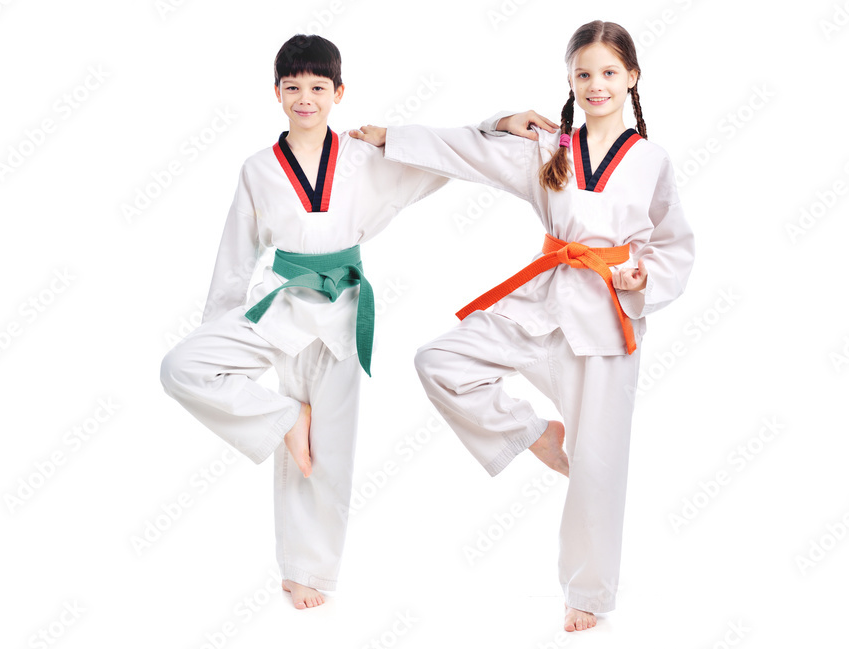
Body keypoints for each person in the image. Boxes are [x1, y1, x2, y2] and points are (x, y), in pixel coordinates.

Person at [349, 20, 694, 632]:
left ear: (632, 78)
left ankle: (586, 595)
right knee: (440, 362)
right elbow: (469, 151)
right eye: (584, 73)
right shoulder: (549, 148)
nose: (596, 84)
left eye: (609, 72)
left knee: (599, 466)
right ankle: (535, 435)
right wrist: (396, 137)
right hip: (542, 304)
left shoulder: (651, 161)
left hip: (607, 322)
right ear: (570, 80)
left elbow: (673, 243)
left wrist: (644, 277)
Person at [160, 34, 446, 610]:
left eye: (318, 87)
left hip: (343, 308)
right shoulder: (258, 169)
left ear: (339, 92)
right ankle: (285, 415)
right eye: (293, 87)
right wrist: (217, 326)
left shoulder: (364, 157)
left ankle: (306, 571)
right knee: (182, 367)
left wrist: (499, 127)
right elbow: (236, 251)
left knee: (328, 451)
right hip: (281, 303)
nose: (305, 98)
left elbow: (440, 158)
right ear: (277, 92)